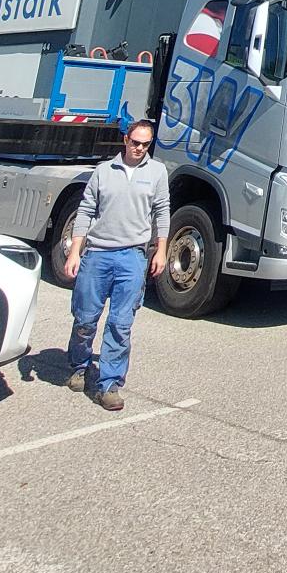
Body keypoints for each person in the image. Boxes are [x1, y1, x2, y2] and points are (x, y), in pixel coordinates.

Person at [62, 120, 169, 411]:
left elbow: (162, 212)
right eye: (135, 142)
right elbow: (85, 210)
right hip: (97, 254)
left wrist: (161, 251)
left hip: (132, 257)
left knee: (121, 324)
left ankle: (109, 385)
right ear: (126, 139)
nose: (139, 148)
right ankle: (80, 365)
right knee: (85, 320)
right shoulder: (103, 171)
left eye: (146, 144)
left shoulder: (157, 172)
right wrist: (75, 252)